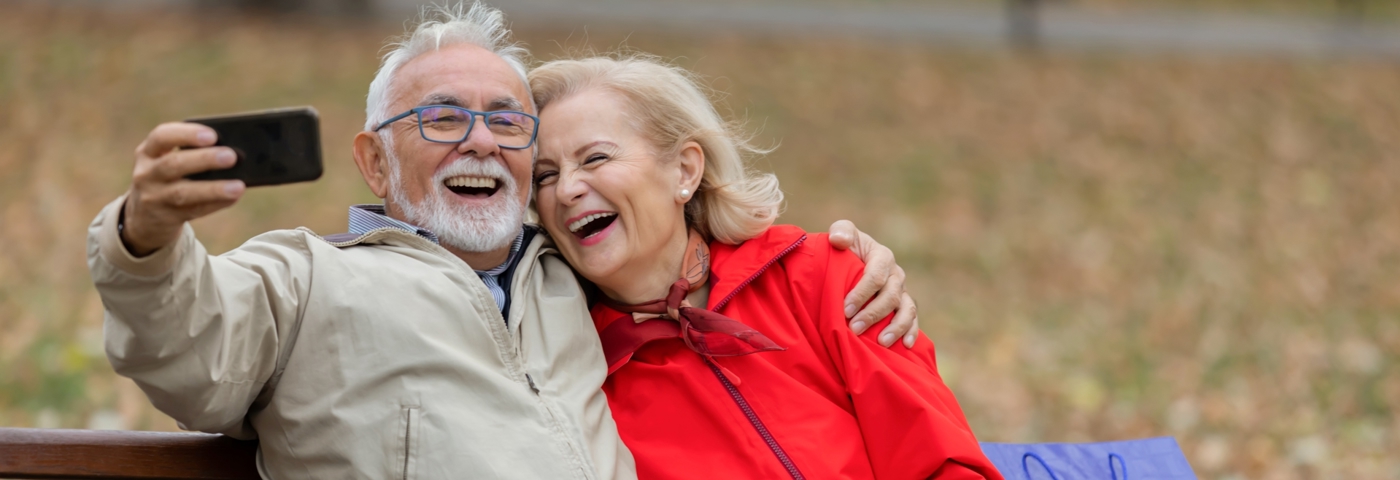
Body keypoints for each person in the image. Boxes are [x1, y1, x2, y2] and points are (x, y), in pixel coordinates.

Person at [86, 3, 920, 479]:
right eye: (442, 117)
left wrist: (842, 257)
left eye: (506, 121)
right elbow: (185, 345)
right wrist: (147, 237)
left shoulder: (571, 275)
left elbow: (675, 243)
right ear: (375, 162)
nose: (479, 140)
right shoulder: (302, 278)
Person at [529, 55, 1002, 479]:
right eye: (545, 175)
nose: (567, 189)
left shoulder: (822, 277)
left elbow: (942, 461)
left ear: (684, 171)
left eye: (596, 158)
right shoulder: (572, 374)